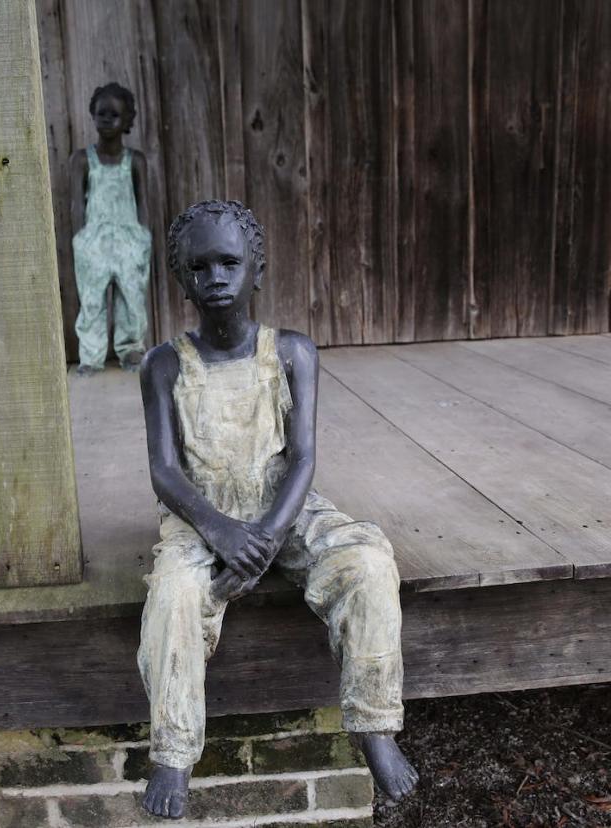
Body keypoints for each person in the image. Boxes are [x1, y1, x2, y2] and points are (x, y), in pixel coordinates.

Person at [136, 200, 418, 819]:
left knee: (368, 562)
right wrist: (218, 530)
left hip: (284, 510)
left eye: (229, 262)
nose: (215, 278)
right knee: (174, 597)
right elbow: (164, 471)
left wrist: (265, 534)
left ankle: (374, 725)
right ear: (181, 278)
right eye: (199, 267)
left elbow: (304, 458)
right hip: (200, 517)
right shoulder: (162, 365)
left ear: (256, 270)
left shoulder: (291, 353)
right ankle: (174, 751)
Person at [69, 81, 151, 375]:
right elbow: (77, 204)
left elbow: (143, 204)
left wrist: (143, 237)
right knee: (91, 301)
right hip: (93, 241)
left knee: (131, 298)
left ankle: (131, 350)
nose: (106, 120)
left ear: (127, 121)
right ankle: (91, 356)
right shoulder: (82, 160)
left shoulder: (135, 161)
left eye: (114, 115)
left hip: (130, 240)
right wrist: (80, 237)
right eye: (101, 113)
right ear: (92, 114)